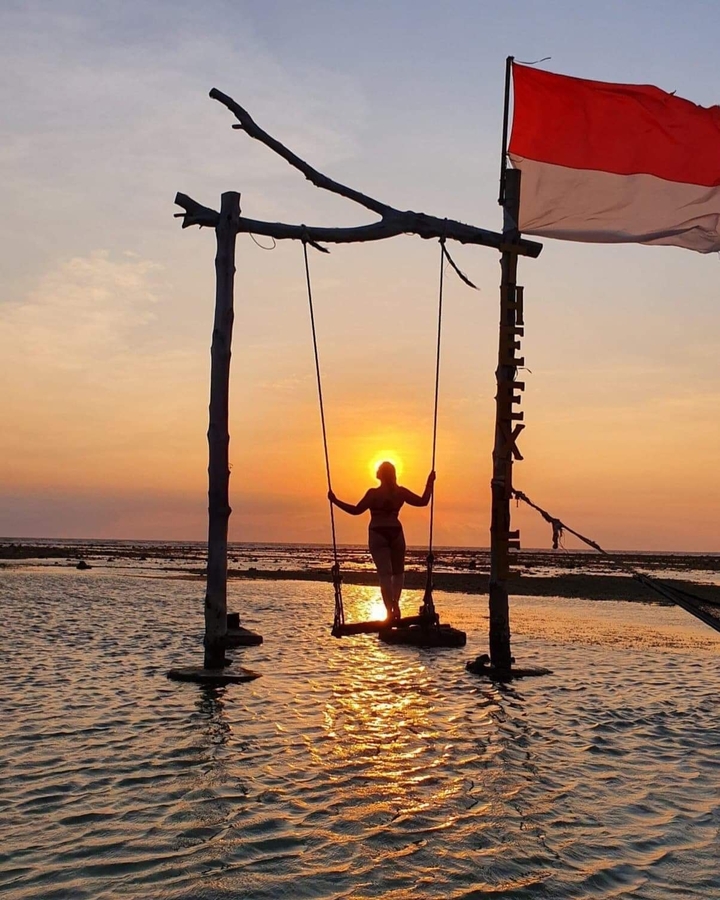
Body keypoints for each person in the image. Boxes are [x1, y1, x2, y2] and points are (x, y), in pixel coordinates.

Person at [328, 462, 435, 621]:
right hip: (396, 532)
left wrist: (335, 501)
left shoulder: (373, 494)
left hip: (378, 532)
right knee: (398, 572)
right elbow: (423, 501)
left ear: (381, 474)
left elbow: (356, 511)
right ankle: (396, 603)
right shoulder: (400, 492)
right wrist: (429, 482)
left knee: (385, 574)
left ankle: (389, 611)